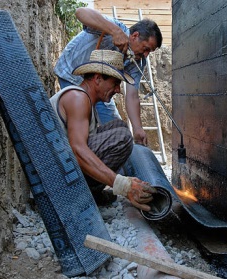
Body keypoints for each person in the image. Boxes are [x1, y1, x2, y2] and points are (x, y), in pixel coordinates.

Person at [50, 49, 157, 211]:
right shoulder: (78, 99)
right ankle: (81, 197)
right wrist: (123, 185)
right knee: (122, 136)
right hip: (57, 181)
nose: (118, 90)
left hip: (62, 171)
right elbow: (78, 149)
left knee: (119, 127)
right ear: (98, 79)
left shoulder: (85, 101)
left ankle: (91, 193)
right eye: (115, 83)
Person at [54, 7, 163, 146]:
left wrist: (137, 128)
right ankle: (80, 159)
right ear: (135, 36)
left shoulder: (138, 60)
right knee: (82, 125)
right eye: (146, 48)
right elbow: (80, 12)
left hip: (100, 87)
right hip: (71, 74)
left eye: (150, 51)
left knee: (116, 128)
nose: (146, 55)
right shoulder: (114, 27)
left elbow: (132, 96)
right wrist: (114, 31)